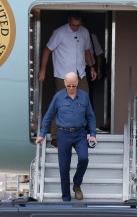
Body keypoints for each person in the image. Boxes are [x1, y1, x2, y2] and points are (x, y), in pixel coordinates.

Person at [38, 11, 97, 147]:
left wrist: (92, 67)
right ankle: (55, 137)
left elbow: (87, 50)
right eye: (72, 25)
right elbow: (47, 50)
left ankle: (82, 134)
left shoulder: (84, 32)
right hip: (63, 74)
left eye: (77, 25)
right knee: (60, 104)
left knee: (84, 102)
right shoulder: (59, 32)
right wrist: (43, 69)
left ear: (81, 22)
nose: (75, 27)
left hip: (80, 73)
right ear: (68, 21)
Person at [36, 72, 97, 201]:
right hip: (63, 134)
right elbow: (48, 117)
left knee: (84, 159)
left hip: (80, 134)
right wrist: (42, 134)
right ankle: (66, 197)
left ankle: (76, 184)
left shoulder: (84, 97)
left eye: (73, 86)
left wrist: (92, 135)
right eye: (68, 85)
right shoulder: (58, 97)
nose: (71, 88)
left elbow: (91, 117)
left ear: (77, 84)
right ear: (64, 84)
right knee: (64, 167)